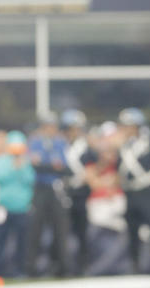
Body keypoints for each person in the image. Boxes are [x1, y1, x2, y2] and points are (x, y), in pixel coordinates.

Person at [116, 107, 150, 274]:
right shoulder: (123, 146)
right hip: (130, 193)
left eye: (129, 125)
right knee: (132, 231)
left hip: (148, 192)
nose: (125, 129)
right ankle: (135, 266)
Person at [25, 112, 70, 277]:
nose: (50, 129)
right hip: (40, 188)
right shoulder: (36, 142)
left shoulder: (60, 143)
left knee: (60, 229)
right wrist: (52, 166)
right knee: (35, 229)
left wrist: (46, 165)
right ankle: (31, 269)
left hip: (56, 189)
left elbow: (64, 167)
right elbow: (36, 165)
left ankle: (62, 267)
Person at [0, 130, 35, 277]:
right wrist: (13, 168)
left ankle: (20, 271)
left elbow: (30, 180)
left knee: (22, 243)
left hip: (22, 208)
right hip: (3, 207)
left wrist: (21, 167)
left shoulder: (26, 163)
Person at [60, 109, 93, 275]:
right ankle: (65, 267)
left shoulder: (86, 148)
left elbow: (92, 170)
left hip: (81, 194)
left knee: (81, 233)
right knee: (63, 234)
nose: (72, 132)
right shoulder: (61, 146)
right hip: (64, 194)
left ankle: (83, 267)